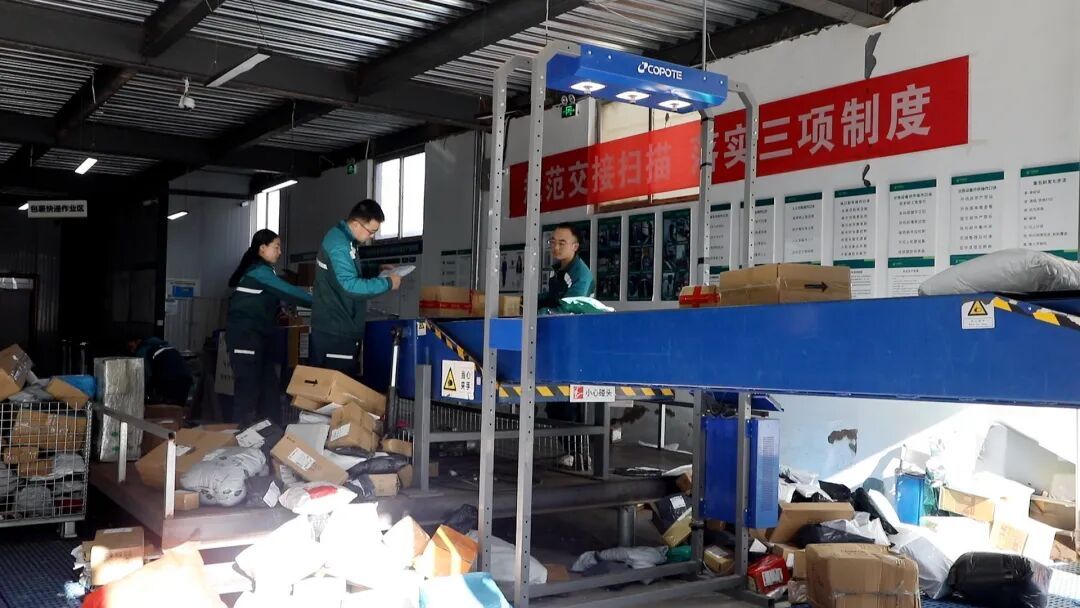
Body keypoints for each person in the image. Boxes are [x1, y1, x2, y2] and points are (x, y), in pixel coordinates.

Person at [226, 229, 313, 425]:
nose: (280, 252)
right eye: (277, 247)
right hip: (246, 338)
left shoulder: (264, 272)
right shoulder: (259, 272)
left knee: (269, 388)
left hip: (260, 338)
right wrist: (323, 302)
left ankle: (273, 430)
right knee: (248, 389)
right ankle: (240, 435)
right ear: (262, 248)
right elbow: (289, 291)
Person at [310, 199, 401, 375]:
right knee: (336, 387)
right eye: (371, 231)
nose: (372, 236)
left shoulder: (346, 240)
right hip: (335, 331)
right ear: (356, 224)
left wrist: (376, 269)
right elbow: (350, 286)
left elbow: (345, 272)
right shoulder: (339, 245)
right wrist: (388, 283)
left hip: (337, 327)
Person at [538, 223, 594, 313]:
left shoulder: (581, 275)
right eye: (553, 242)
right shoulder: (558, 269)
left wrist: (536, 314)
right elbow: (553, 297)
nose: (556, 247)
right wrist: (526, 301)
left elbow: (569, 309)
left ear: (575, 247)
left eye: (561, 243)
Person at [127, 336, 192, 406]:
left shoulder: (143, 350)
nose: (132, 351)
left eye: (131, 347)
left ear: (138, 341)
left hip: (170, 381)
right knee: (177, 407)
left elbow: (144, 374)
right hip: (186, 379)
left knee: (165, 407)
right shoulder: (166, 346)